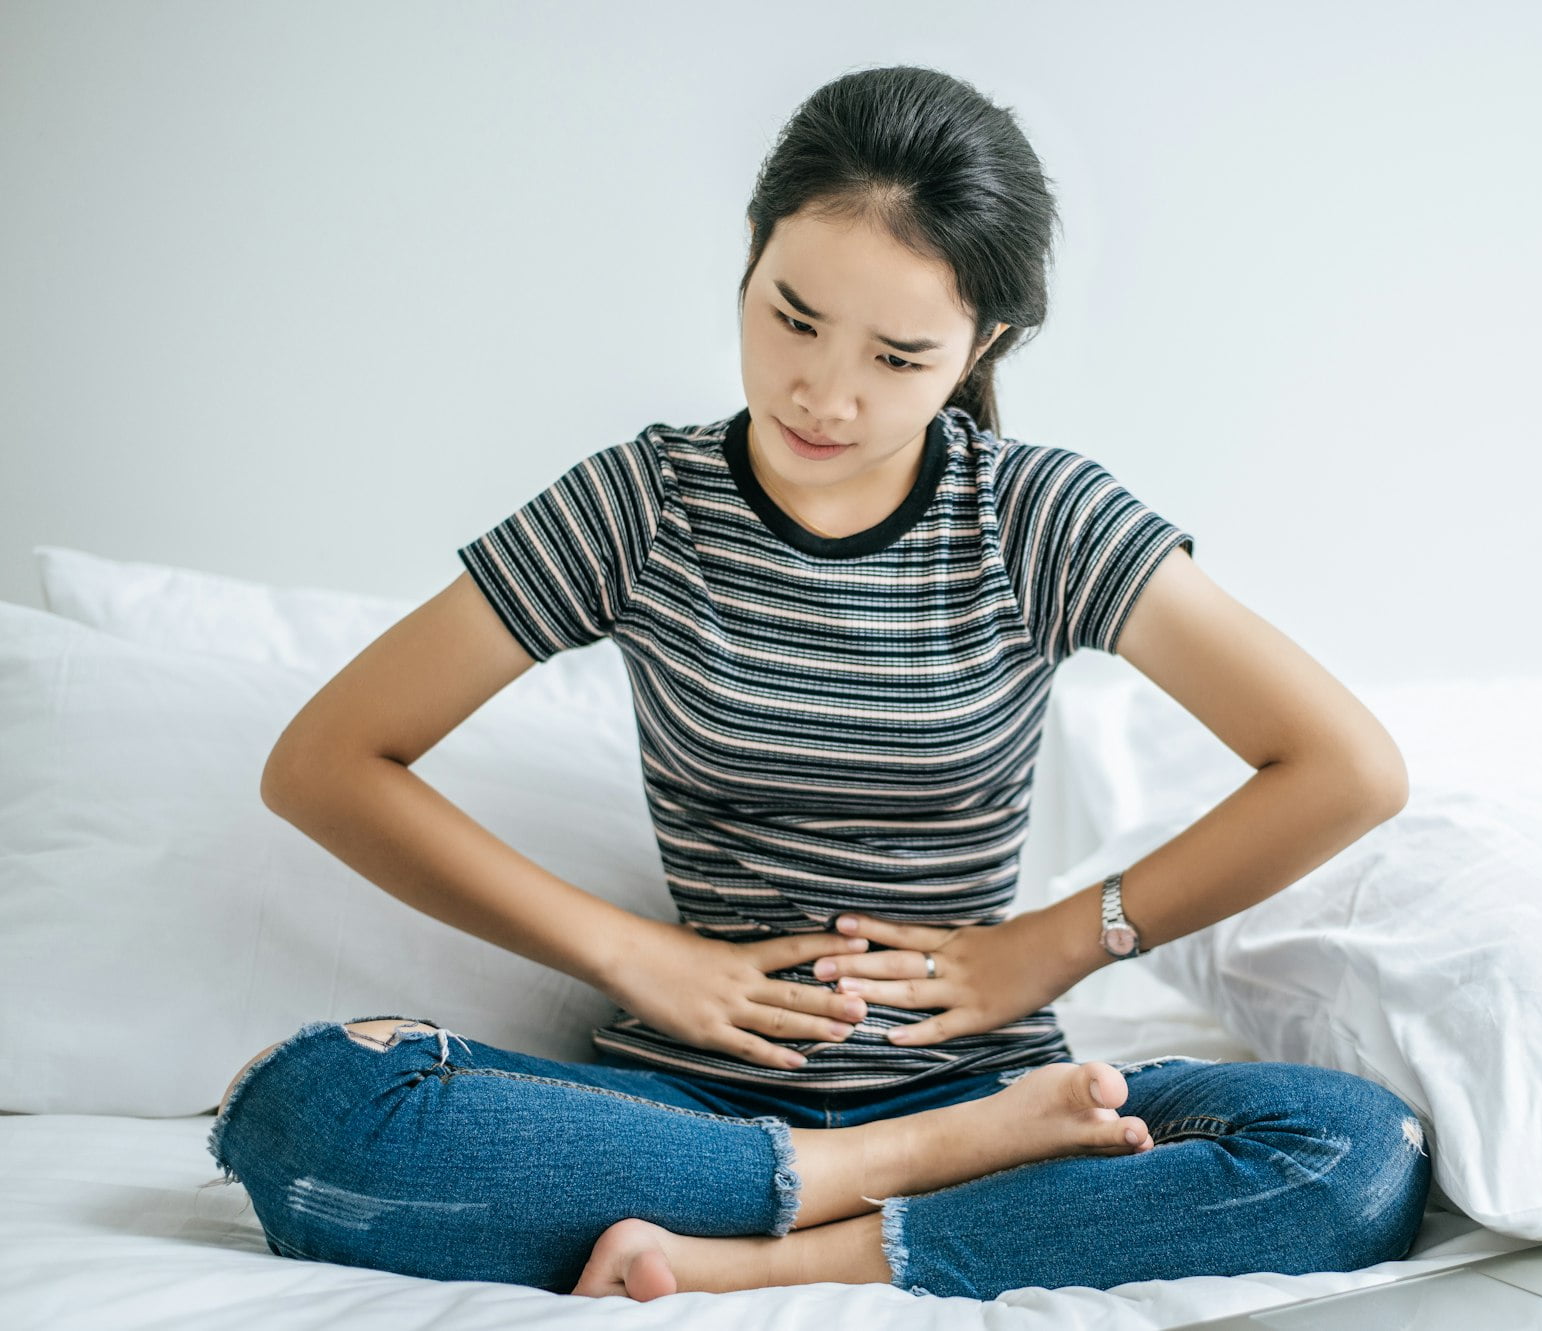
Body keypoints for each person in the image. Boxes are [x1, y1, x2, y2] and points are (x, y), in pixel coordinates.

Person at [206, 64, 1428, 1302]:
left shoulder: (1033, 516)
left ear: (979, 348)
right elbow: (324, 763)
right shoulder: (643, 505)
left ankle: (755, 1257)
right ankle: (905, 1172)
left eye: (898, 356)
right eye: (792, 318)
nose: (824, 393)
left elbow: (1345, 767)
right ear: (748, 256)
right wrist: (636, 956)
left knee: (1356, 1153)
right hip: (691, 1103)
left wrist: (1054, 945)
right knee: (311, 1108)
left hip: (990, 1086)